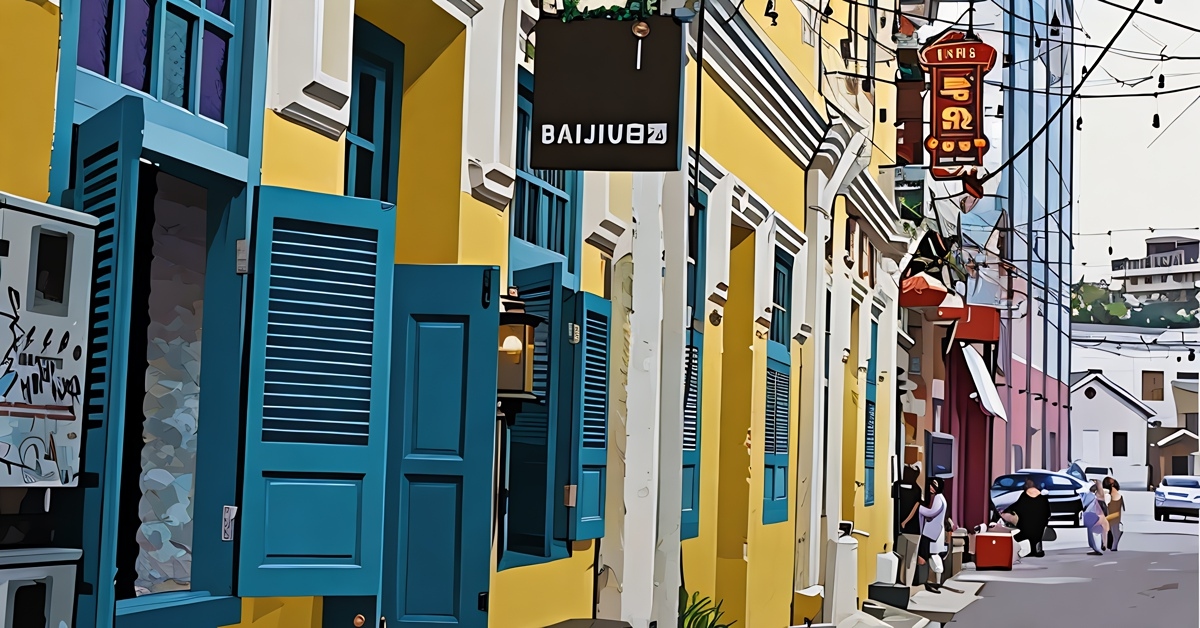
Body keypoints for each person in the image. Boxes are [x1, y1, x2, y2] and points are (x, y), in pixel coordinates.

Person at [912, 477, 947, 593]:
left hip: (931, 532)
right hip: (933, 531)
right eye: (931, 485)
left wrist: (919, 508)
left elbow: (932, 512)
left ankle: (932, 581)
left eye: (934, 486)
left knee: (929, 555)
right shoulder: (939, 498)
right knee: (932, 555)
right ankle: (934, 581)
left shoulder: (938, 498)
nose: (931, 488)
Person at [1002, 478, 1051, 558]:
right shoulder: (1043, 498)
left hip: (1025, 526)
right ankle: (1037, 550)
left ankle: (1031, 550)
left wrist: (1007, 511)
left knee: (1019, 535)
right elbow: (1048, 513)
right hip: (1039, 525)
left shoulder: (1024, 496)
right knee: (1036, 536)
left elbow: (1017, 507)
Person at [892, 465, 923, 584]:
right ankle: (907, 582)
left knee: (900, 553)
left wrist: (902, 522)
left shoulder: (897, 486)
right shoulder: (917, 489)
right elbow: (915, 508)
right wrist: (905, 522)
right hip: (912, 528)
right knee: (911, 557)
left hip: (898, 526)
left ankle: (900, 579)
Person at [1082, 481, 1110, 555]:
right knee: (1102, 530)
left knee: (1095, 532)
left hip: (1095, 516)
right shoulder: (1099, 497)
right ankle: (1102, 546)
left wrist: (1097, 481)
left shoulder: (1094, 496)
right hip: (1099, 516)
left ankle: (1099, 548)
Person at [1103, 477, 1125, 551]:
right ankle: (1113, 546)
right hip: (1114, 517)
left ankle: (1111, 545)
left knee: (1112, 532)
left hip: (1110, 517)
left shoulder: (1107, 495)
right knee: (1115, 533)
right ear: (1112, 485)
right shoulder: (1109, 495)